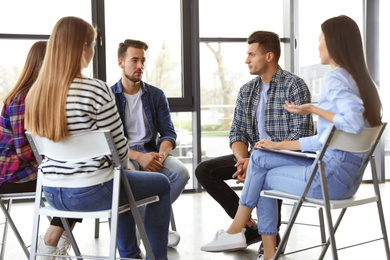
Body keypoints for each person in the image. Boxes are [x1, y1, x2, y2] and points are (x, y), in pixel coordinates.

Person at [201, 15, 382, 260]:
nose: (318, 45)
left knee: (260, 170)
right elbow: (328, 138)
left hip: (330, 179)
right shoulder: (362, 81)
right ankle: (259, 243)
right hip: (349, 179)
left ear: (334, 42)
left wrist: (313, 109)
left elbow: (348, 123)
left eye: (320, 39)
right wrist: (263, 151)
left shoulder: (332, 77)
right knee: (256, 160)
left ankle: (243, 232)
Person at [25, 17, 171, 260]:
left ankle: (129, 255)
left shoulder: (36, 93)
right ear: (83, 47)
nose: (93, 51)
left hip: (52, 194)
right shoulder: (96, 90)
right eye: (92, 44)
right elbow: (119, 151)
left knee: (123, 179)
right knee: (156, 183)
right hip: (92, 192)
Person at [195, 30, 314, 251]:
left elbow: (301, 136)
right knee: (205, 170)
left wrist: (258, 160)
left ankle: (267, 239)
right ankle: (249, 227)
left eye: (252, 54)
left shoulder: (294, 86)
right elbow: (237, 132)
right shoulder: (247, 90)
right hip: (253, 156)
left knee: (265, 170)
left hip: (286, 157)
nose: (246, 59)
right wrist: (243, 160)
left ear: (269, 56)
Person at [0, 40, 82, 259]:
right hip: (13, 172)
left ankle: (54, 243)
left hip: (31, 165)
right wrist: (57, 158)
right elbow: (23, 150)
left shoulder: (43, 96)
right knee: (76, 180)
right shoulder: (22, 98)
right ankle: (51, 243)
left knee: (82, 176)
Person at [111, 39, 190, 247]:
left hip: (153, 151)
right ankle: (151, 229)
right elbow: (110, 141)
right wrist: (139, 157)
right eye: (134, 60)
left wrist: (160, 157)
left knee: (181, 173)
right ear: (121, 62)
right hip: (126, 154)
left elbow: (168, 134)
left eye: (143, 61)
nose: (140, 66)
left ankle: (145, 225)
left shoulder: (156, 95)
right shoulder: (109, 96)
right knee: (127, 179)